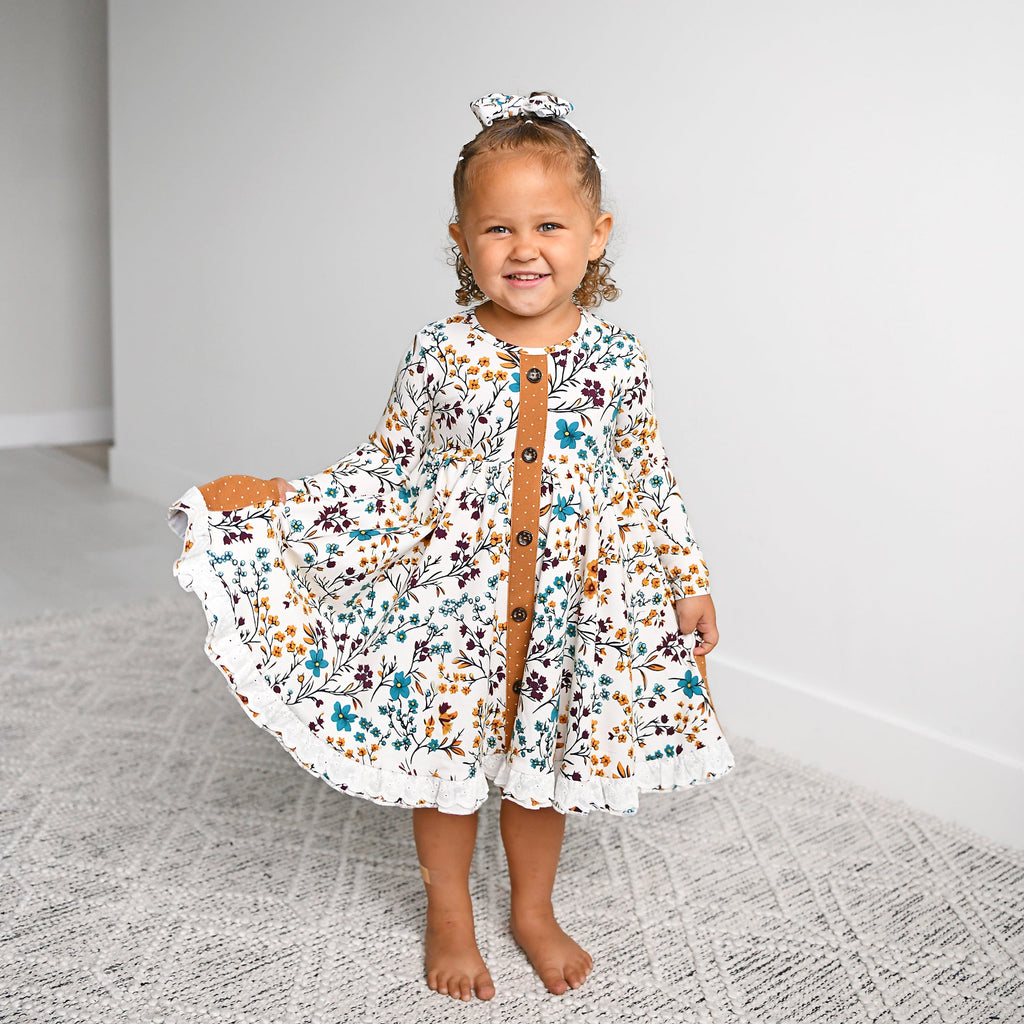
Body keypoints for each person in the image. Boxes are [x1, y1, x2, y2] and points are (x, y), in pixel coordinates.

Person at [169, 91, 735, 1003]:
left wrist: (687, 579)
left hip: (571, 618)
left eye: (549, 225)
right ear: (461, 241)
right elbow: (389, 469)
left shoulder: (619, 359)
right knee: (449, 774)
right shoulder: (439, 352)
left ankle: (533, 911)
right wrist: (280, 504)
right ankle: (450, 914)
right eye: (498, 227)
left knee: (543, 774)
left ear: (596, 236)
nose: (524, 248)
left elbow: (646, 477)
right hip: (453, 613)